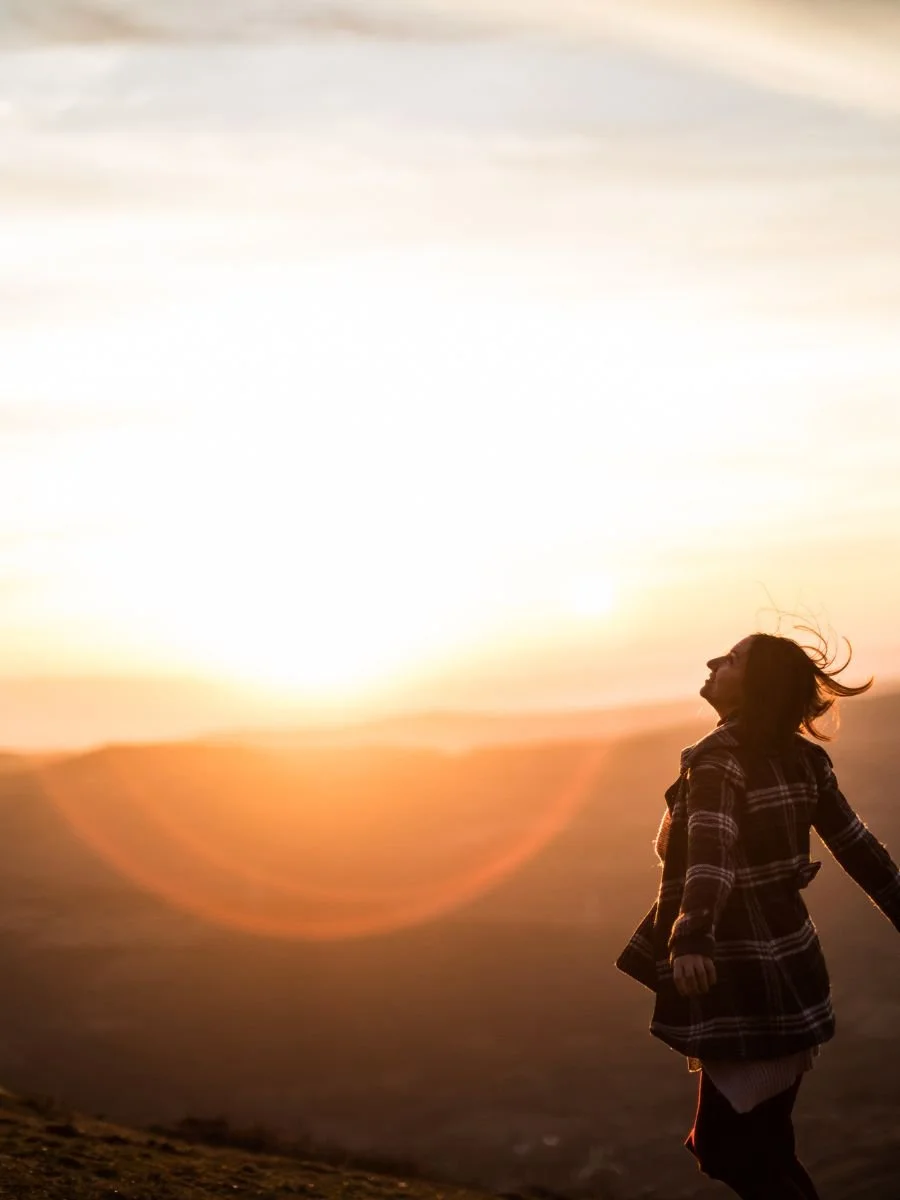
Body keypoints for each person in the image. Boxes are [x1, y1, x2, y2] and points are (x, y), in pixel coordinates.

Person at [616, 629, 900, 1200]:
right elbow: (858, 847)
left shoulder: (719, 760)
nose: (714, 661)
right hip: (794, 974)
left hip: (739, 979)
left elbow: (711, 853)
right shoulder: (805, 761)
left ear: (757, 686)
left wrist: (692, 935)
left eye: (733, 659)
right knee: (765, 1147)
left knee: (727, 1149)